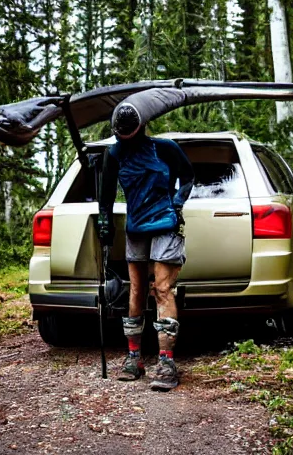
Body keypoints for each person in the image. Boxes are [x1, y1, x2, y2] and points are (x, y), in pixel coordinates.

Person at [97, 103, 194, 391]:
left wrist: (177, 205)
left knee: (162, 289)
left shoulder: (165, 149)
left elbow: (188, 178)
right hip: (136, 226)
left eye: (127, 133)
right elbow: (105, 194)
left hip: (165, 223)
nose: (123, 138)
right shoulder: (114, 154)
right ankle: (134, 359)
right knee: (137, 289)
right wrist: (105, 221)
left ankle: (166, 362)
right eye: (120, 133)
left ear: (140, 127)